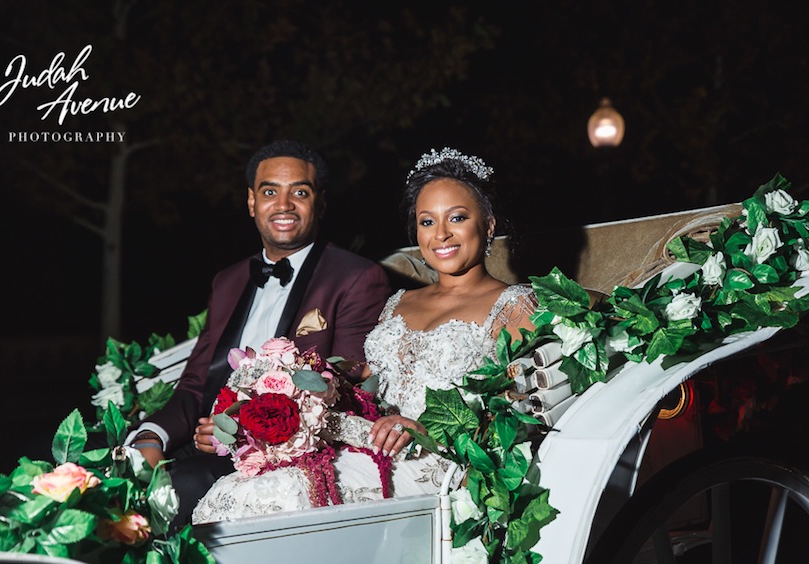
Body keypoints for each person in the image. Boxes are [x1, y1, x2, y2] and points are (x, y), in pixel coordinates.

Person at [191, 147, 537, 523]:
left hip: (437, 461)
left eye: (456, 218)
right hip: (361, 446)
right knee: (235, 494)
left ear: (487, 224)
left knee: (269, 501)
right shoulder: (398, 303)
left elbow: (524, 409)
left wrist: (429, 431)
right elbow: (361, 386)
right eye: (426, 222)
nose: (441, 234)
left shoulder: (515, 305)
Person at [127, 140, 392, 526]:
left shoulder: (356, 277)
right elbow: (194, 384)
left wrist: (237, 430)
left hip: (280, 454)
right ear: (252, 202)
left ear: (320, 202)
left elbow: (345, 390)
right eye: (270, 191)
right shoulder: (228, 280)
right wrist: (151, 437)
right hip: (201, 441)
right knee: (99, 464)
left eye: (299, 192)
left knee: (176, 487)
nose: (283, 205)